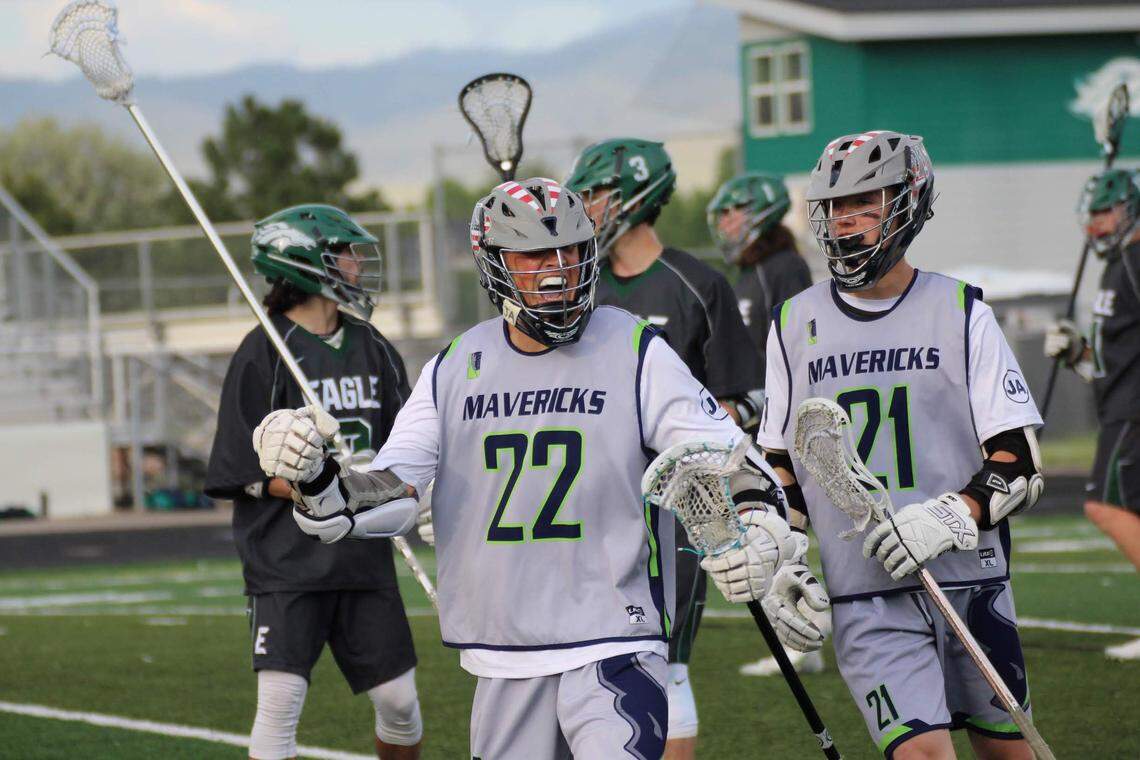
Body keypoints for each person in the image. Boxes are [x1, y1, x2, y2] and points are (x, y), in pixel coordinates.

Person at [251, 178, 796, 760]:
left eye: (570, 251)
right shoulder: (456, 365)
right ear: (494, 264)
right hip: (504, 653)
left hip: (614, 638)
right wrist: (315, 478)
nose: (557, 269)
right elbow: (392, 490)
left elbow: (730, 458)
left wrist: (759, 525)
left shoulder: (635, 347)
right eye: (534, 253)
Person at [758, 132, 1045, 759]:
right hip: (867, 593)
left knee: (1008, 752)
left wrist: (950, 515)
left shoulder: (962, 310)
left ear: (908, 201)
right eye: (833, 205)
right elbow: (782, 470)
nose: (842, 220)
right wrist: (776, 551)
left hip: (971, 584)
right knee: (923, 753)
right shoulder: (792, 324)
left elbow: (1018, 462)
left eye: (862, 201)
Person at [565, 140, 763, 758]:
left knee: (665, 663)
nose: (586, 209)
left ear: (632, 199)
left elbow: (745, 398)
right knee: (578, 665)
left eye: (594, 195)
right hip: (586, 505)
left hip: (673, 512)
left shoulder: (697, 284)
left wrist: (679, 445)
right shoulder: (577, 287)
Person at [203, 205, 423, 760]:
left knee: (400, 703)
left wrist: (412, 498)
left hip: (363, 556)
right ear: (305, 262)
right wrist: (312, 484)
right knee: (281, 703)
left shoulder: (374, 347)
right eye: (345, 253)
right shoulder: (264, 351)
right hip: (288, 562)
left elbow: (407, 446)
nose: (355, 264)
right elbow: (239, 470)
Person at [707, 172, 821, 677]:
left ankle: (804, 638)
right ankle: (797, 635)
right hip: (757, 421)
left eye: (734, 211)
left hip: (782, 422)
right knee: (766, 530)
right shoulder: (748, 274)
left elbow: (795, 349)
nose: (727, 223)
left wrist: (771, 410)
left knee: (785, 528)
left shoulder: (785, 267)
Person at [1044, 168, 1140, 660]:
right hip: (1120, 405)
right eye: (1093, 216)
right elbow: (1116, 360)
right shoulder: (1117, 265)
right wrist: (1078, 354)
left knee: (1104, 506)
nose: (1096, 226)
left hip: (1133, 414)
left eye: (1106, 213)